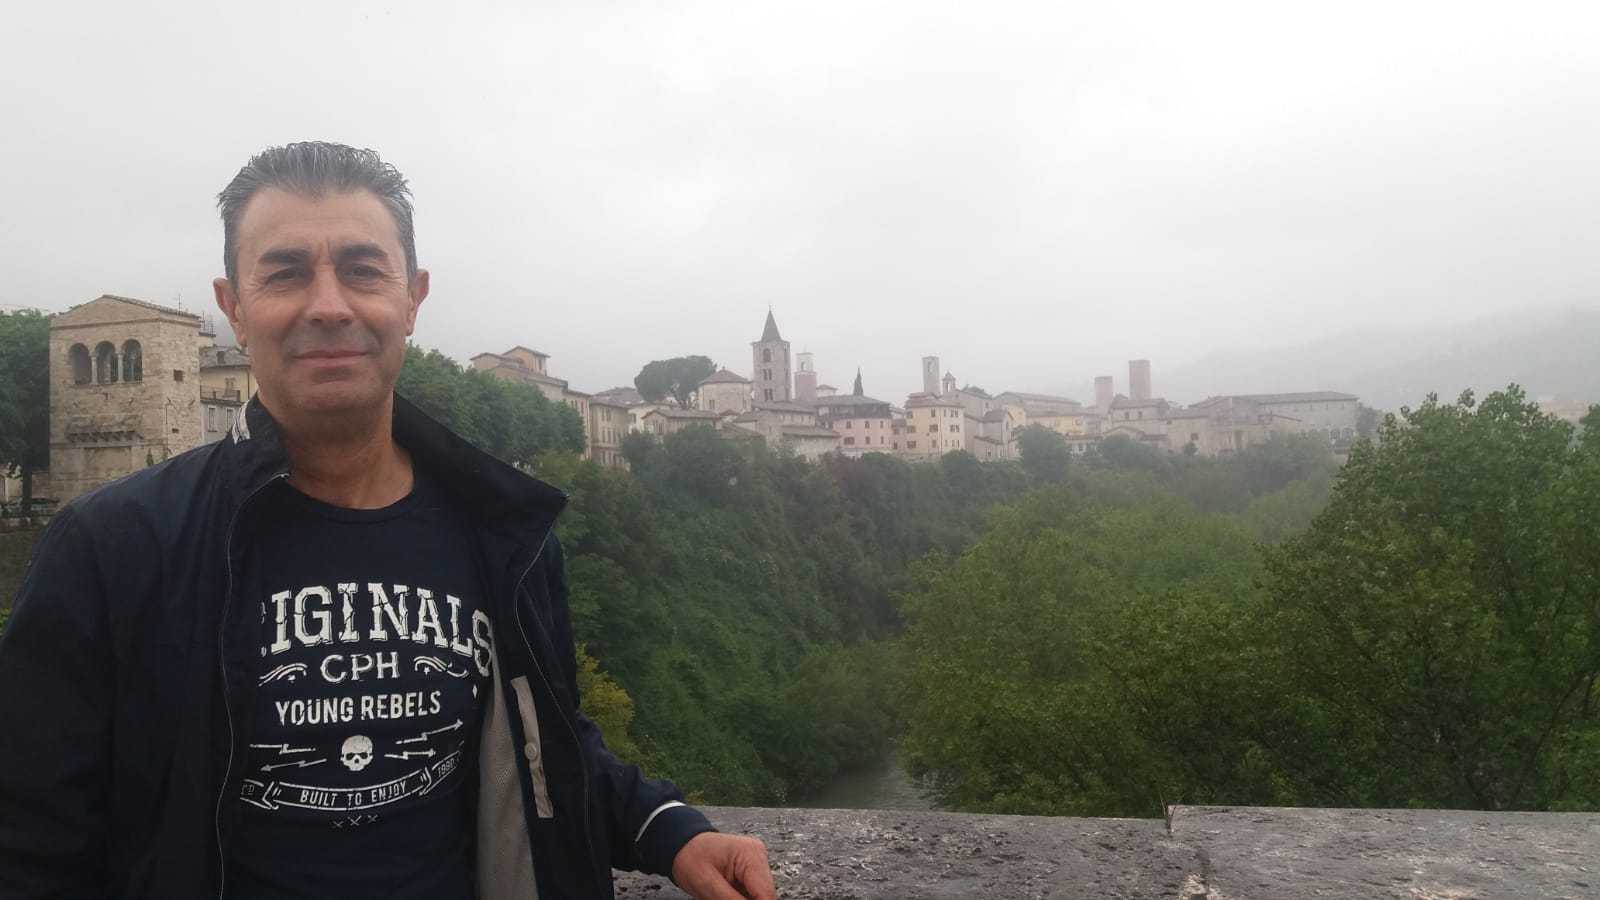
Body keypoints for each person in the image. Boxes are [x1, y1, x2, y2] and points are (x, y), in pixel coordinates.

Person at [0, 141, 776, 900]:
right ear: (233, 309)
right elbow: (31, 843)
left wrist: (671, 831)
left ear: (413, 299)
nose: (328, 305)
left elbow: (540, 741)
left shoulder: (501, 531)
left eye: (363, 270)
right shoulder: (113, 549)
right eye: (286, 272)